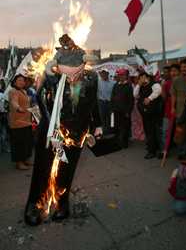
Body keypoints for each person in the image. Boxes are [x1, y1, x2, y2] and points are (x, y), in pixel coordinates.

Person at [24, 34, 102, 226]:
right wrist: (54, 132)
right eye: (68, 74)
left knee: (67, 170)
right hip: (51, 133)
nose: (72, 78)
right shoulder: (51, 77)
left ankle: (61, 202)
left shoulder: (91, 78)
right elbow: (41, 104)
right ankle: (35, 204)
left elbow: (93, 104)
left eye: (76, 73)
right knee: (43, 169)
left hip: (76, 133)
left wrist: (96, 127)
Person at [8, 74, 33, 170]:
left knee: (26, 143)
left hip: (26, 122)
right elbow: (14, 102)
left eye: (23, 81)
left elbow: (27, 104)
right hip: (17, 123)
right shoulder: (13, 91)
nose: (22, 82)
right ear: (14, 82)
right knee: (19, 144)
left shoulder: (24, 91)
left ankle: (25, 159)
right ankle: (19, 163)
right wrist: (18, 108)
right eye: (19, 80)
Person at [137, 72, 163, 159]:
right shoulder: (141, 86)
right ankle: (152, 148)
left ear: (148, 77)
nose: (141, 79)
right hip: (145, 113)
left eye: (143, 77)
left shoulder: (154, 84)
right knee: (148, 131)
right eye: (140, 77)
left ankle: (156, 151)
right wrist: (138, 85)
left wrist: (149, 98)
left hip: (154, 113)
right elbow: (135, 94)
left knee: (156, 132)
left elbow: (158, 91)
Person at [171, 59, 186, 157]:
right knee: (180, 133)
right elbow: (173, 95)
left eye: (185, 67)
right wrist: (172, 107)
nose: (183, 69)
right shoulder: (176, 80)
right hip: (180, 111)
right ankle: (182, 153)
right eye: (182, 67)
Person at [159, 64, 180, 159]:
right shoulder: (166, 83)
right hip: (169, 111)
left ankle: (180, 152)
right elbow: (164, 98)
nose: (172, 73)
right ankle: (165, 150)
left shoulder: (182, 82)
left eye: (175, 71)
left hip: (179, 111)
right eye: (171, 71)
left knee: (178, 132)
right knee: (166, 131)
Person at [111, 69, 134, 148]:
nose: (121, 76)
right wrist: (112, 108)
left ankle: (125, 143)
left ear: (126, 76)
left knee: (125, 127)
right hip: (116, 110)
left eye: (122, 75)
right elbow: (112, 97)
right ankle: (117, 141)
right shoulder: (116, 85)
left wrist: (128, 111)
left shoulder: (129, 86)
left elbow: (131, 100)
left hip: (125, 111)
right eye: (119, 75)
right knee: (116, 126)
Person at [97, 69, 115, 134]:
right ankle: (103, 131)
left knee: (110, 117)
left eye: (105, 73)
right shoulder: (98, 82)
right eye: (102, 73)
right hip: (101, 102)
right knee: (102, 117)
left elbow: (114, 93)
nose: (103, 75)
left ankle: (110, 131)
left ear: (107, 74)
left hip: (110, 102)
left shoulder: (113, 82)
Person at [131, 74, 145, 141]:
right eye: (135, 78)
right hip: (132, 105)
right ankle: (135, 135)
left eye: (137, 78)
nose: (136, 79)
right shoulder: (131, 85)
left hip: (139, 104)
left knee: (140, 120)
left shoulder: (141, 86)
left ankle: (141, 135)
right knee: (134, 120)